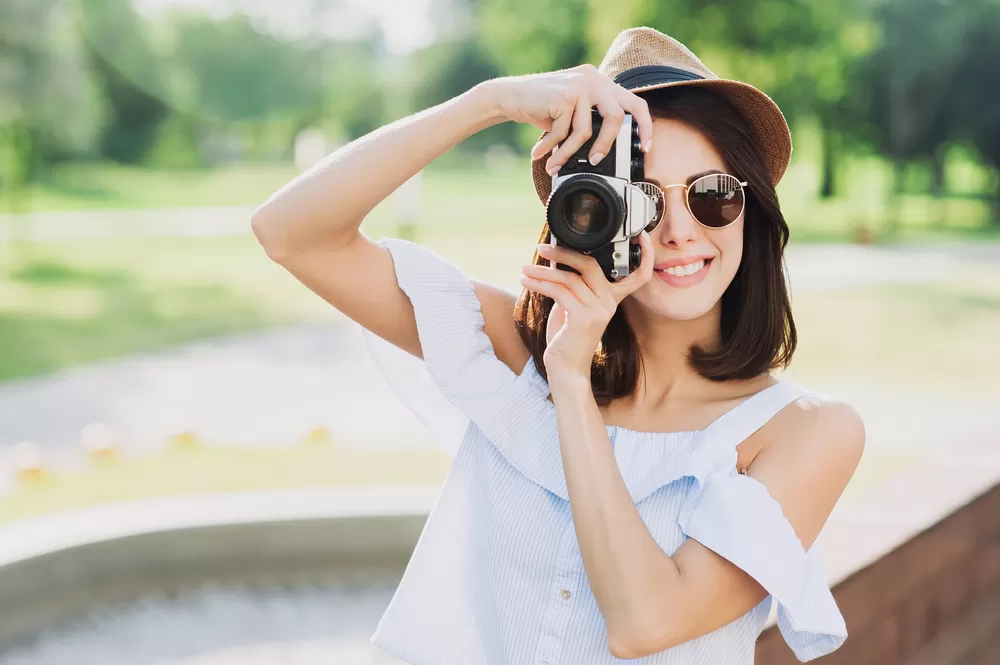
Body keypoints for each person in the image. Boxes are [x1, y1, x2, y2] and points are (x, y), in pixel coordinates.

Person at [252, 26, 864, 665]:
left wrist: (571, 383)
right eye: (646, 199)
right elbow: (291, 234)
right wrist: (489, 102)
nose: (682, 232)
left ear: (752, 210)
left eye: (713, 194)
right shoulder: (511, 350)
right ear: (590, 217)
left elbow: (643, 623)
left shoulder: (804, 432)